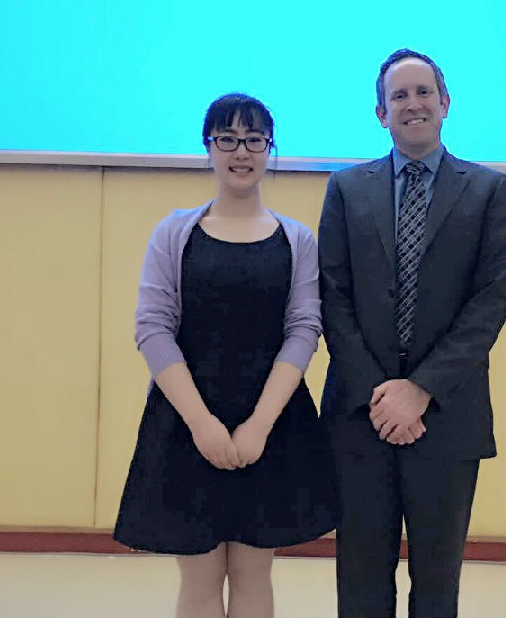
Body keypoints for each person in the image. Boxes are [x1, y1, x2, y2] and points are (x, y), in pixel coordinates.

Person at [114, 93, 336, 618]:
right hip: (187, 422)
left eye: (255, 140)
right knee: (200, 575)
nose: (242, 152)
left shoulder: (297, 239)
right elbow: (152, 328)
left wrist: (258, 425)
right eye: (228, 139)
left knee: (255, 571)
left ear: (269, 149)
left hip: (271, 424)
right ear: (208, 146)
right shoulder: (174, 233)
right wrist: (201, 424)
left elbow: (304, 330)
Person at [318, 49, 506, 618]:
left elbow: (488, 305)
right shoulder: (346, 189)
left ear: (445, 103)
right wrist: (381, 396)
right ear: (381, 113)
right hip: (362, 415)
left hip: (447, 416)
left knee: (437, 583)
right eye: (399, 95)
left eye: (423, 92)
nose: (413, 104)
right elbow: (332, 296)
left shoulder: (487, 191)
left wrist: (420, 389)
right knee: (360, 580)